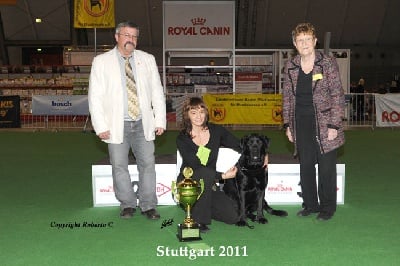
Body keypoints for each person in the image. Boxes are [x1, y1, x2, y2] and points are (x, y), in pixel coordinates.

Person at [88, 21, 166, 220]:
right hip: (116, 125)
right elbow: (94, 96)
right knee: (119, 165)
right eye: (126, 35)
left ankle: (148, 205)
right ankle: (127, 204)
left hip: (143, 123)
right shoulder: (101, 61)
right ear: (117, 37)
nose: (130, 40)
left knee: (148, 164)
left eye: (134, 36)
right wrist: (100, 126)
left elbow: (157, 92)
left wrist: (160, 120)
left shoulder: (147, 59)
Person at [176, 97, 269, 232]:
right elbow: (195, 165)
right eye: (194, 113)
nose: (198, 116)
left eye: (201, 112)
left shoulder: (216, 131)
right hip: (190, 183)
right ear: (187, 115)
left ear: (206, 113)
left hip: (209, 185)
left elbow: (241, 145)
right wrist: (222, 176)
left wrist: (263, 153)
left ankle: (199, 206)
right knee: (205, 172)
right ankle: (198, 219)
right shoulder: (182, 138)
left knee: (233, 217)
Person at [282, 22, 345, 221]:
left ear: (315, 41)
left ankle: (328, 208)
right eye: (300, 40)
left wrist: (334, 124)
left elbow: (337, 94)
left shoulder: (327, 63)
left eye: (308, 39)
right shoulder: (290, 65)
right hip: (300, 121)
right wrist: (287, 124)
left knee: (326, 166)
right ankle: (310, 205)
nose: (304, 43)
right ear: (295, 43)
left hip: (325, 122)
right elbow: (286, 97)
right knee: (306, 165)